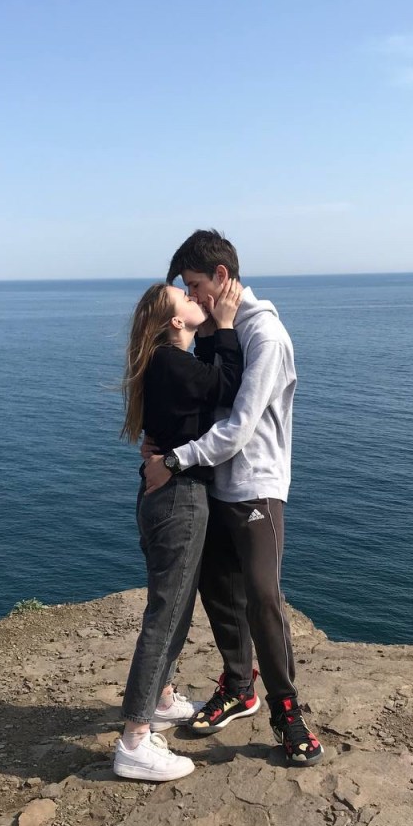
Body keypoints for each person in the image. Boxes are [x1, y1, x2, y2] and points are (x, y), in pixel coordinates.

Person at [144, 230, 323, 766]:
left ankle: (287, 712)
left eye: (195, 284)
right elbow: (199, 397)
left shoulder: (265, 334)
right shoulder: (215, 330)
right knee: (218, 590)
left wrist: (175, 460)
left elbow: (240, 426)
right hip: (212, 483)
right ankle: (239, 686)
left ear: (221, 276)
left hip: (254, 486)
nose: (191, 296)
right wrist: (162, 441)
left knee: (263, 595)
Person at [114, 278, 244, 782]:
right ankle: (134, 739)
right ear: (174, 321)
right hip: (178, 499)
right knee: (166, 615)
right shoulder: (170, 361)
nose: (193, 298)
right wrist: (226, 325)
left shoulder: (168, 362)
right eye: (184, 298)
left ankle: (162, 699)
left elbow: (205, 382)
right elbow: (226, 385)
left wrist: (211, 332)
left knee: (174, 607)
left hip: (167, 497)